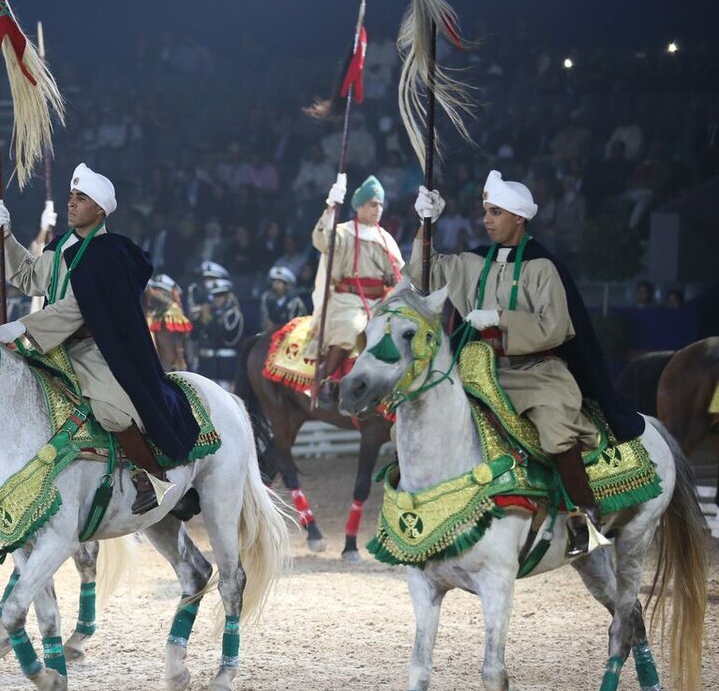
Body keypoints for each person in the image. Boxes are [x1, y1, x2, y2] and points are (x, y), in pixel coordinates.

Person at [413, 170, 645, 557]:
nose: (486, 219)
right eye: (486, 211)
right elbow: (425, 274)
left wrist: (500, 318)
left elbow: (553, 328)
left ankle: (582, 517)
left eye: (496, 212)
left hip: (536, 372)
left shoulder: (543, 267)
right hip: (479, 367)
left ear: (518, 218)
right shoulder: (474, 262)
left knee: (555, 427)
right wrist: (425, 226)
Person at [0, 163, 200, 514]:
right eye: (70, 196)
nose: (71, 202)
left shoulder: (110, 253)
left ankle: (155, 476)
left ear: (99, 209)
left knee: (112, 411)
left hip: (95, 347)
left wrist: (26, 327)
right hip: (51, 344)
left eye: (80, 198)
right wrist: (5, 236)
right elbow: (28, 278)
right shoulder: (60, 246)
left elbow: (80, 307)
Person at [308, 174, 404, 407]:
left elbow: (397, 274)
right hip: (348, 299)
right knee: (351, 329)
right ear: (360, 206)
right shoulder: (342, 232)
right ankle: (325, 379)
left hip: (379, 301)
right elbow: (321, 241)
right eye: (373, 204)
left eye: (380, 205)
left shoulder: (385, 238)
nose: (378, 209)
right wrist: (331, 207)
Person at [195, 278, 245, 389]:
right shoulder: (212, 314)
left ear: (228, 296)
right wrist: (198, 320)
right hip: (208, 366)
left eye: (221, 295)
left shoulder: (233, 315)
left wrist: (207, 318)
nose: (217, 299)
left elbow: (227, 335)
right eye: (215, 296)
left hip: (226, 367)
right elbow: (196, 335)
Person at [259, 265, 307, 333]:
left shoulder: (295, 303)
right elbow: (264, 319)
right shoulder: (267, 299)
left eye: (279, 283)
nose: (275, 285)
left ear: (287, 286)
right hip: (268, 335)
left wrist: (276, 327)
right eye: (274, 282)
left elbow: (298, 325)